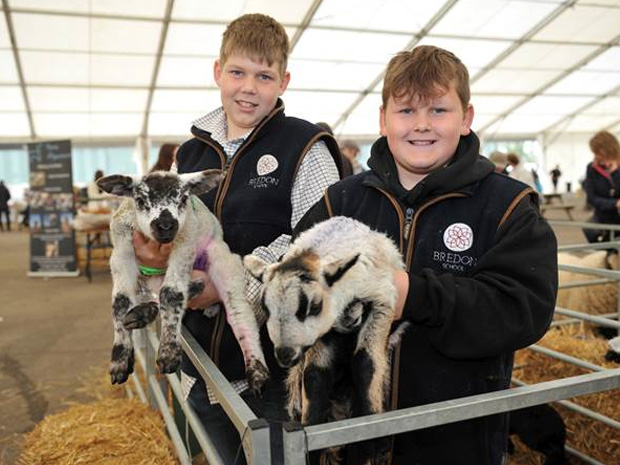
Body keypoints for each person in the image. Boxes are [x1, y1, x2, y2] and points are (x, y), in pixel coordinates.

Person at [294, 45, 558, 464]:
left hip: (455, 440)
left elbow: (524, 308)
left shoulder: (507, 207)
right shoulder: (339, 202)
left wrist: (413, 295)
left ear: (466, 118)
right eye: (405, 111)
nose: (421, 125)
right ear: (383, 120)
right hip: (347, 441)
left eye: (438, 110)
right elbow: (294, 282)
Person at [132, 13, 342, 465]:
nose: (249, 87)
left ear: (283, 81)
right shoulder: (191, 154)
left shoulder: (305, 147)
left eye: (264, 76)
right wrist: (155, 262)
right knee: (220, 453)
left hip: (278, 369)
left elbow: (320, 242)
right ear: (217, 72)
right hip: (203, 359)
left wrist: (230, 287)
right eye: (238, 72)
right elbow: (173, 233)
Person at [582, 130, 620, 243]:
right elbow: (591, 197)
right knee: (590, 229)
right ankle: (607, 251)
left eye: (599, 152)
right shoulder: (592, 168)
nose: (597, 156)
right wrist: (615, 204)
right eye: (595, 152)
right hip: (602, 216)